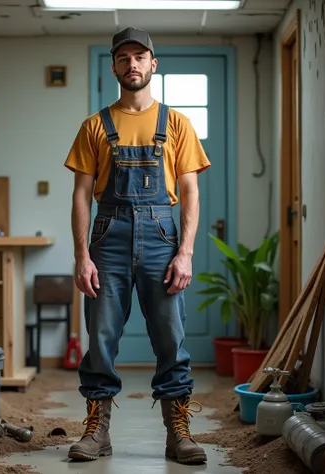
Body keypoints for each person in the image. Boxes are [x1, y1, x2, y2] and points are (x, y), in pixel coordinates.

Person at [63, 26, 211, 465]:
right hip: (108, 236)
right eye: (124, 57)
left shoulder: (177, 123)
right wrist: (81, 255)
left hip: (162, 235)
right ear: (114, 66)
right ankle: (97, 431)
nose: (132, 64)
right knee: (101, 337)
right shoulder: (95, 126)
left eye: (140, 57)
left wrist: (184, 252)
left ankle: (178, 432)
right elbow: (79, 195)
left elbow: (190, 193)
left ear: (153, 64)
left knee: (170, 336)